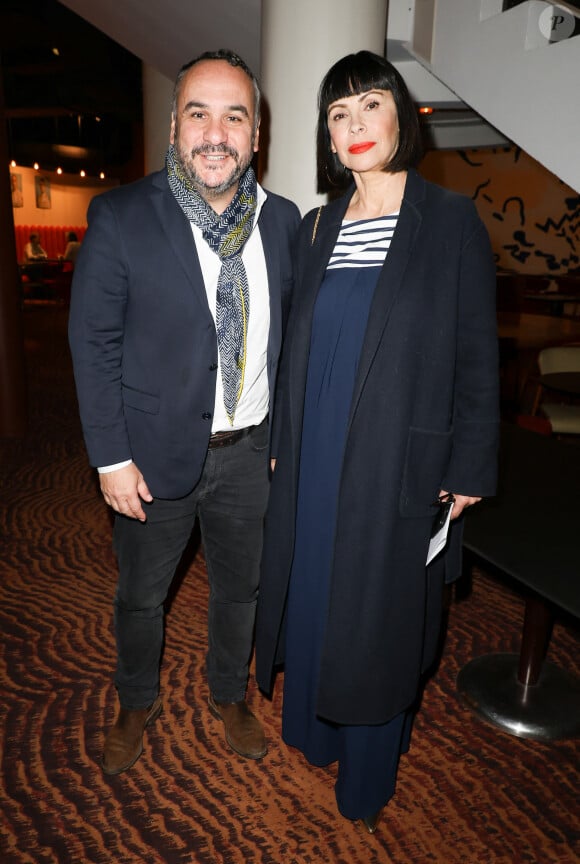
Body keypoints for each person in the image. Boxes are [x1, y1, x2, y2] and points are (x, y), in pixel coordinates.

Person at [255, 51, 499, 834]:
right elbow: (294, 346)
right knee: (318, 594)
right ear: (328, 137)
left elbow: (475, 356)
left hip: (400, 457)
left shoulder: (450, 222)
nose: (355, 126)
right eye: (338, 114)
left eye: (370, 106)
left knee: (378, 618)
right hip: (315, 451)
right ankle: (316, 732)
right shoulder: (316, 224)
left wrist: (468, 467)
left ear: (403, 118)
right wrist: (277, 441)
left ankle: (366, 775)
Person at [68, 49, 300, 775]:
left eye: (234, 115)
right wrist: (109, 456)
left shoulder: (285, 222)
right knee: (141, 596)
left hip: (249, 453)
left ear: (256, 133)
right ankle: (135, 700)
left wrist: (281, 438)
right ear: (175, 126)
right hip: (148, 453)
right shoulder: (121, 215)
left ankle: (228, 692)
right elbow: (93, 341)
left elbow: (293, 338)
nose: (215, 132)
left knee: (242, 591)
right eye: (198, 112)